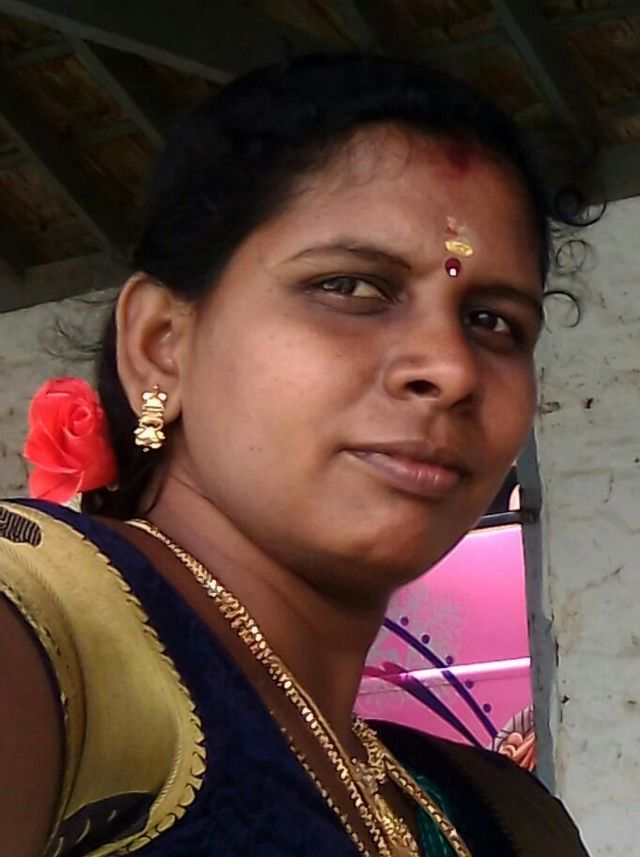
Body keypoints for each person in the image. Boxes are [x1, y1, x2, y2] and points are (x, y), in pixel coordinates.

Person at [0, 53, 590, 857]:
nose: (451, 368)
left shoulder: (501, 815)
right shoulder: (42, 634)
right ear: (161, 345)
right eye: (351, 287)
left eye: (493, 321)